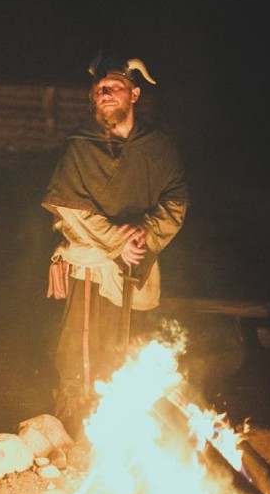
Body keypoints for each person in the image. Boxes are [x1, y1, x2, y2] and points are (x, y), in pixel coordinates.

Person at [41, 52, 189, 436]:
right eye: (99, 90)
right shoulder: (80, 145)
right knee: (81, 346)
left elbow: (175, 203)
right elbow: (67, 207)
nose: (104, 94)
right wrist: (115, 243)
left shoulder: (157, 148)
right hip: (91, 263)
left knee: (128, 346)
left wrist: (144, 235)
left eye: (115, 88)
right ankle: (78, 424)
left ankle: (124, 424)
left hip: (138, 263)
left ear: (134, 95)